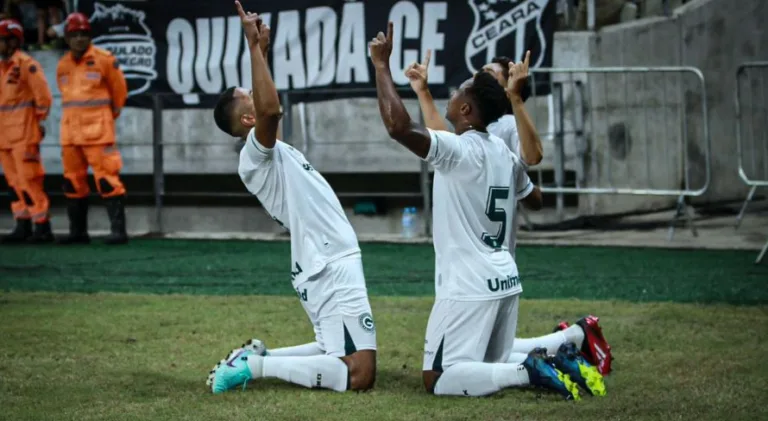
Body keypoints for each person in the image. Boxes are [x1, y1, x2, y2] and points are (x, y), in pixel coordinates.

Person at [370, 22, 602, 399]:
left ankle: (530, 371)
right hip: (505, 277)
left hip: (469, 282)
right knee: (487, 364)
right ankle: (559, 354)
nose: (452, 94)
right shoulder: (502, 153)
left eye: (457, 92)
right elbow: (533, 192)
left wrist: (382, 67)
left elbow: (399, 127)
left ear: (465, 108)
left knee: (438, 377)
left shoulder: (461, 150)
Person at [206, 1, 376, 395]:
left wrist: (262, 53)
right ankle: (253, 367)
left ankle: (254, 358)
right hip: (328, 262)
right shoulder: (253, 155)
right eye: (248, 95)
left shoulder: (270, 150)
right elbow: (271, 110)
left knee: (332, 351)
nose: (256, 93)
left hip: (323, 260)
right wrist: (252, 47)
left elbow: (267, 110)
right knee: (360, 374)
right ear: (248, 120)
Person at [56, 12, 129, 245]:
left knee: (108, 181)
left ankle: (118, 232)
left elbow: (120, 93)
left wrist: (106, 117)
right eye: (74, 34)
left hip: (98, 134)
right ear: (67, 38)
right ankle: (78, 233)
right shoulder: (63, 64)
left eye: (83, 34)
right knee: (72, 184)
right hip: (70, 135)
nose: (79, 39)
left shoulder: (104, 59)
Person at [0, 18, 53, 243]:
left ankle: (42, 226)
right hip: (4, 136)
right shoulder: (2, 68)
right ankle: (22, 224)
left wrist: (37, 122)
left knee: (30, 180)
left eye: (2, 40)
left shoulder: (26, 64)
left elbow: (44, 97)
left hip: (23, 134)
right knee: (14, 183)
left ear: (14, 40)